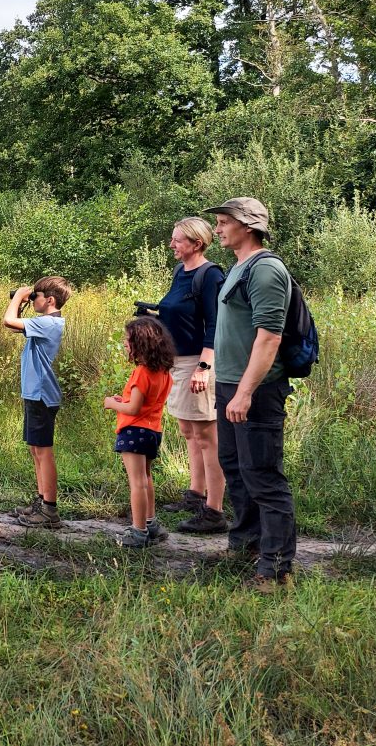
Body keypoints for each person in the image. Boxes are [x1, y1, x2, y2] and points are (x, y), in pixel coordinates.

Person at [202, 197, 297, 589]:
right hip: (230, 385)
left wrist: (244, 392)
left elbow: (269, 337)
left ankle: (276, 570)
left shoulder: (266, 270)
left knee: (263, 475)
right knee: (235, 467)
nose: (219, 229)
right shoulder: (237, 268)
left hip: (255, 390)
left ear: (248, 226)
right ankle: (245, 544)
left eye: (225, 222)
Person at [154, 217, 228, 534]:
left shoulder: (209, 275)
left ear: (196, 244)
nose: (172, 245)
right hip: (177, 361)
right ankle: (196, 495)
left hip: (198, 363)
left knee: (206, 436)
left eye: (178, 240)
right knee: (188, 430)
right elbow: (179, 314)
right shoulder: (179, 272)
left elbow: (215, 324)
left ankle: (215, 510)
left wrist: (204, 366)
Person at [3, 276, 73, 529]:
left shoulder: (49, 324)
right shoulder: (44, 322)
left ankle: (50, 510)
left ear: (50, 300)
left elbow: (7, 320)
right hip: (35, 393)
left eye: (36, 296)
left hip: (42, 394)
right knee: (36, 450)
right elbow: (13, 326)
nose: (33, 300)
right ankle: (42, 500)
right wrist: (21, 301)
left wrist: (20, 294)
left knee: (44, 452)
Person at [104, 316, 175, 548]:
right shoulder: (164, 373)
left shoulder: (142, 373)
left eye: (128, 340)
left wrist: (112, 403)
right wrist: (123, 399)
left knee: (136, 482)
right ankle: (150, 523)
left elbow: (133, 409)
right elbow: (146, 403)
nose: (125, 344)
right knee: (145, 479)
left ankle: (138, 531)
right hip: (152, 431)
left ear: (141, 343)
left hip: (133, 432)